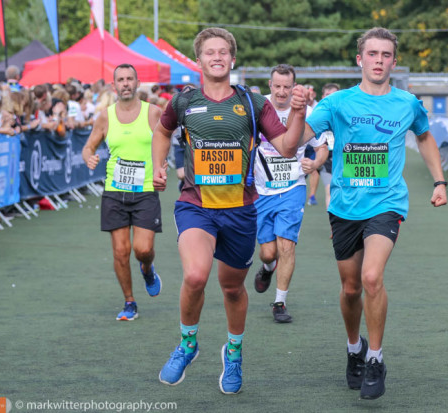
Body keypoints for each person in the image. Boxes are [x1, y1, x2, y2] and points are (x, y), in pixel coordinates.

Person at [151, 27, 307, 395]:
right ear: (199, 60)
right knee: (194, 276)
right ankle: (188, 344)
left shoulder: (252, 103)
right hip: (196, 206)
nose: (217, 57)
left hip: (240, 210)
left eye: (224, 52)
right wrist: (159, 166)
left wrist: (297, 113)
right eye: (210, 52)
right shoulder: (183, 102)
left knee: (233, 288)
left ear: (232, 60)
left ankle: (233, 353)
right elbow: (162, 132)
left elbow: (286, 146)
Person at [298, 27, 448, 400]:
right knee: (350, 289)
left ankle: (376, 359)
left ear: (394, 62)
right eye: (372, 54)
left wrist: (439, 182)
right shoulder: (338, 104)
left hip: (387, 203)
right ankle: (355, 349)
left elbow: (425, 136)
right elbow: (300, 135)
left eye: (385, 55)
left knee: (371, 277)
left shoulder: (407, 103)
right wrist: (299, 109)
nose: (379, 61)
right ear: (359, 59)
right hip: (345, 206)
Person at [82, 63, 163, 321]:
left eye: (130, 79)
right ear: (114, 85)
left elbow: (167, 140)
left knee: (143, 249)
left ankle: (147, 269)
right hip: (115, 191)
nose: (126, 83)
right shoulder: (105, 116)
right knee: (120, 251)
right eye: (121, 79)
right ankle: (129, 302)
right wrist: (89, 157)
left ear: (137, 83)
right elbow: (88, 147)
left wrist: (161, 167)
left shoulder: (153, 113)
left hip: (145, 191)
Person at [252, 64, 327, 323]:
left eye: (287, 86)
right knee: (268, 252)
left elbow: (322, 147)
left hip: (293, 188)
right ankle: (267, 268)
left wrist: (315, 164)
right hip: (261, 191)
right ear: (270, 86)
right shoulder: (257, 106)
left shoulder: (308, 112)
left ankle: (279, 302)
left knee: (287, 246)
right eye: (277, 86)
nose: (282, 92)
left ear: (294, 87)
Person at [317, 83, 340, 210]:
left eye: (334, 95)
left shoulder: (346, 114)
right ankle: (334, 226)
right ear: (323, 96)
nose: (331, 98)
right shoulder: (318, 114)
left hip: (345, 159)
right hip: (327, 159)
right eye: (327, 95)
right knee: (330, 191)